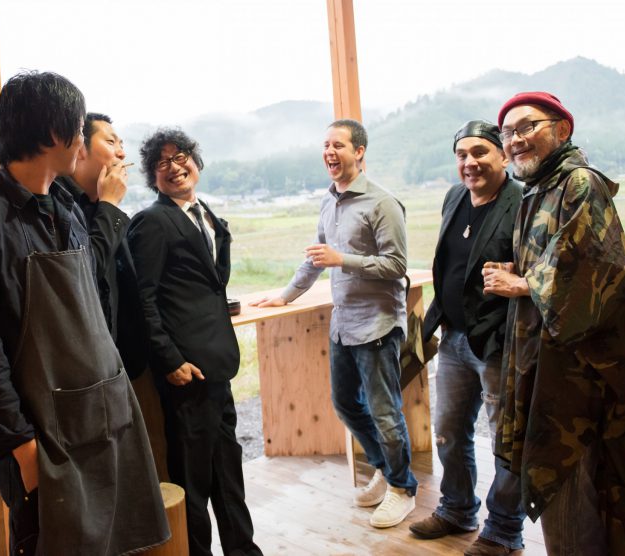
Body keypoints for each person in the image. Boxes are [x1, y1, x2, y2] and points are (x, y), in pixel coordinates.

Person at [0, 71, 169, 556]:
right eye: (79, 130)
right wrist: (20, 447)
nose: (82, 141)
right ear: (52, 133)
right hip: (43, 440)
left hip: (103, 420)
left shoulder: (65, 208)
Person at [482, 91, 625, 555]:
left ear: (562, 130)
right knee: (573, 492)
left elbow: (594, 269)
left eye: (527, 126)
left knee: (576, 485)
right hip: (548, 359)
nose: (515, 139)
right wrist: (520, 272)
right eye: (508, 132)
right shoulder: (539, 188)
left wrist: (523, 284)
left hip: (579, 372)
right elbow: (555, 258)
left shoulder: (579, 183)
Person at [250, 118, 418, 529]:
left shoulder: (383, 203)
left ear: (359, 152)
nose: (329, 152)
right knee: (345, 404)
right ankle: (385, 470)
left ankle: (403, 489)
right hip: (343, 324)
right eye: (325, 145)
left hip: (378, 325)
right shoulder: (329, 202)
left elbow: (396, 265)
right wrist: (285, 295)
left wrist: (342, 260)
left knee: (385, 412)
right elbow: (316, 259)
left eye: (338, 145)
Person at [127, 128, 262, 556]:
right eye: (161, 163)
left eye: (180, 156)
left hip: (217, 365)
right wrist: (170, 360)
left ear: (195, 161)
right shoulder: (152, 221)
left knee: (229, 472)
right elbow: (142, 299)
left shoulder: (204, 215)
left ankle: (244, 550)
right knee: (193, 482)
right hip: (187, 371)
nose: (174, 167)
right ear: (152, 177)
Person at [407, 121, 525, 556]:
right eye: (462, 155)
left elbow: (540, 267)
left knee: (505, 439)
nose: (470, 162)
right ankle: (457, 508)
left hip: (498, 341)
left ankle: (504, 530)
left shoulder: (522, 202)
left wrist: (517, 273)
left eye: (480, 152)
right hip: (455, 337)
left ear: (503, 155)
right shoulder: (454, 197)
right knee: (448, 431)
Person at [55, 112, 148, 379]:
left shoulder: (103, 205)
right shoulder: (60, 206)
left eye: (121, 144)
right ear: (80, 148)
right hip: (85, 370)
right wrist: (109, 203)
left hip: (122, 363)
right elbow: (85, 275)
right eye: (110, 142)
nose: (121, 153)